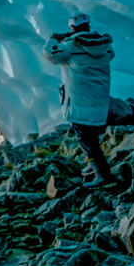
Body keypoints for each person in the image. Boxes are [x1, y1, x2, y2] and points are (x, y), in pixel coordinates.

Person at [45, 12, 121, 188]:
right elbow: (110, 55)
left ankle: (103, 175)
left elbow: (50, 55)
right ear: (88, 26)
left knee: (86, 140)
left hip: (80, 102)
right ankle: (95, 167)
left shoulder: (69, 47)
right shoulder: (104, 46)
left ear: (72, 28)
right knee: (92, 134)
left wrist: (54, 39)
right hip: (100, 99)